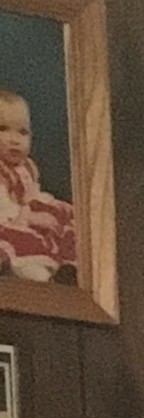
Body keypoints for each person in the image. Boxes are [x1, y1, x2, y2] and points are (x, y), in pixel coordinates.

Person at [0, 88, 76, 283]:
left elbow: (32, 195)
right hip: (7, 222)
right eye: (3, 129)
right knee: (21, 242)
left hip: (24, 218)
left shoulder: (27, 167)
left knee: (63, 224)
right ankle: (33, 274)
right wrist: (28, 217)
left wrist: (50, 206)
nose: (15, 140)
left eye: (23, 132)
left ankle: (68, 268)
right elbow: (3, 208)